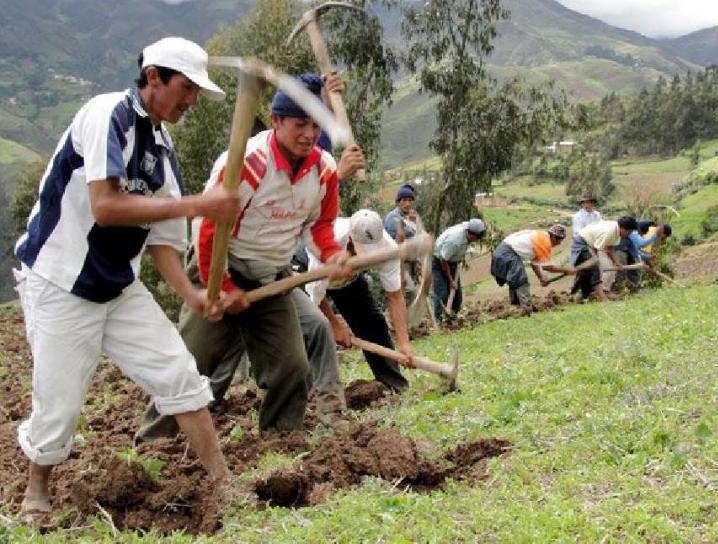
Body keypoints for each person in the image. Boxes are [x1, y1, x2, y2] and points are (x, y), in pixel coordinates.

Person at [12, 37, 241, 523]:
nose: (192, 100)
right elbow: (107, 205)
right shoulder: (106, 115)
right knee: (59, 403)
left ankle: (223, 480)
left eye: (197, 92)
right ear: (153, 76)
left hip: (118, 287)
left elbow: (161, 239)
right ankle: (36, 489)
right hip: (61, 282)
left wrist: (192, 295)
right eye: (186, 87)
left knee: (178, 372)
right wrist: (200, 204)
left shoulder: (162, 147)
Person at [135, 72, 352, 443]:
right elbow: (208, 231)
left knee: (292, 364)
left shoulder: (324, 170)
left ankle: (281, 439)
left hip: (273, 276)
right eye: (300, 124)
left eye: (316, 126)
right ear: (275, 120)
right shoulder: (247, 164)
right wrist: (224, 287)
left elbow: (320, 225)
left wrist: (332, 255)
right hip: (218, 268)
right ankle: (154, 444)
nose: (309, 135)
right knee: (191, 364)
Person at [306, 209, 416, 392]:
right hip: (308, 276)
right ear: (350, 239)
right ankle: (310, 394)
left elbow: (395, 296)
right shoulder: (324, 245)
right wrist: (334, 325)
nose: (366, 257)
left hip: (348, 281)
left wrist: (404, 344)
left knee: (374, 324)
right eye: (362, 251)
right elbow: (315, 297)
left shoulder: (387, 250)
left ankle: (394, 386)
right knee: (313, 334)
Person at [490, 224, 575, 306]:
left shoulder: (541, 238)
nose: (559, 244)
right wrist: (566, 270)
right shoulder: (545, 241)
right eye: (559, 240)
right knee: (520, 279)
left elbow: (534, 263)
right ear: (553, 237)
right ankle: (526, 306)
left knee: (515, 279)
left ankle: (516, 304)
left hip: (502, 252)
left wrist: (541, 278)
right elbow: (547, 267)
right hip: (507, 253)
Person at [572, 216, 637, 302]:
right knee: (597, 267)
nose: (629, 234)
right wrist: (596, 263)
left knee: (611, 268)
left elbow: (610, 248)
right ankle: (600, 295)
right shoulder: (610, 231)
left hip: (593, 244)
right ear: (624, 229)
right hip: (583, 242)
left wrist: (617, 262)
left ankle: (605, 291)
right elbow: (595, 248)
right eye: (629, 232)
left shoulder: (616, 231)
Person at [431, 218, 486, 321]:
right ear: (470, 234)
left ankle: (452, 319)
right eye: (477, 237)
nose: (477, 240)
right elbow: (443, 260)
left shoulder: (468, 230)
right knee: (442, 294)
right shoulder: (454, 241)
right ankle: (438, 321)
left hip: (452, 262)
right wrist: (451, 280)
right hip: (439, 263)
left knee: (457, 297)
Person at [384, 183, 422, 303]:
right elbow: (396, 245)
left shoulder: (411, 217)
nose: (407, 204)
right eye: (404, 200)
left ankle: (407, 320)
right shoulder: (393, 218)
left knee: (411, 294)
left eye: (410, 200)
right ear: (398, 202)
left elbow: (418, 238)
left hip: (410, 262)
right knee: (410, 292)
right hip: (397, 262)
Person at [613, 222, 672, 290]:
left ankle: (632, 288)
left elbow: (637, 254)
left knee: (634, 269)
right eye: (663, 237)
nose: (641, 235)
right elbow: (642, 246)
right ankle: (618, 289)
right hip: (619, 250)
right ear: (663, 233)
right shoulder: (647, 234)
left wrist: (650, 257)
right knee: (622, 269)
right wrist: (652, 267)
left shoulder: (635, 238)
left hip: (628, 250)